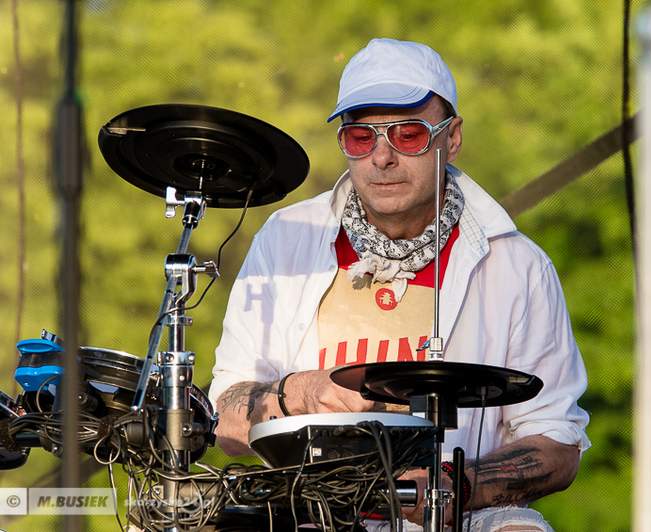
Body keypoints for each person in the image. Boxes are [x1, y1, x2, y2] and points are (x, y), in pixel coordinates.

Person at [209, 38, 590, 531]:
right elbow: (224, 418)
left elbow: (557, 443)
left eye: (408, 135)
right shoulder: (286, 239)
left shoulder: (517, 265)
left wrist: (458, 486)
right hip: (306, 513)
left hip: (463, 516)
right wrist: (299, 392)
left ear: (452, 137)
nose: (382, 157)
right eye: (360, 138)